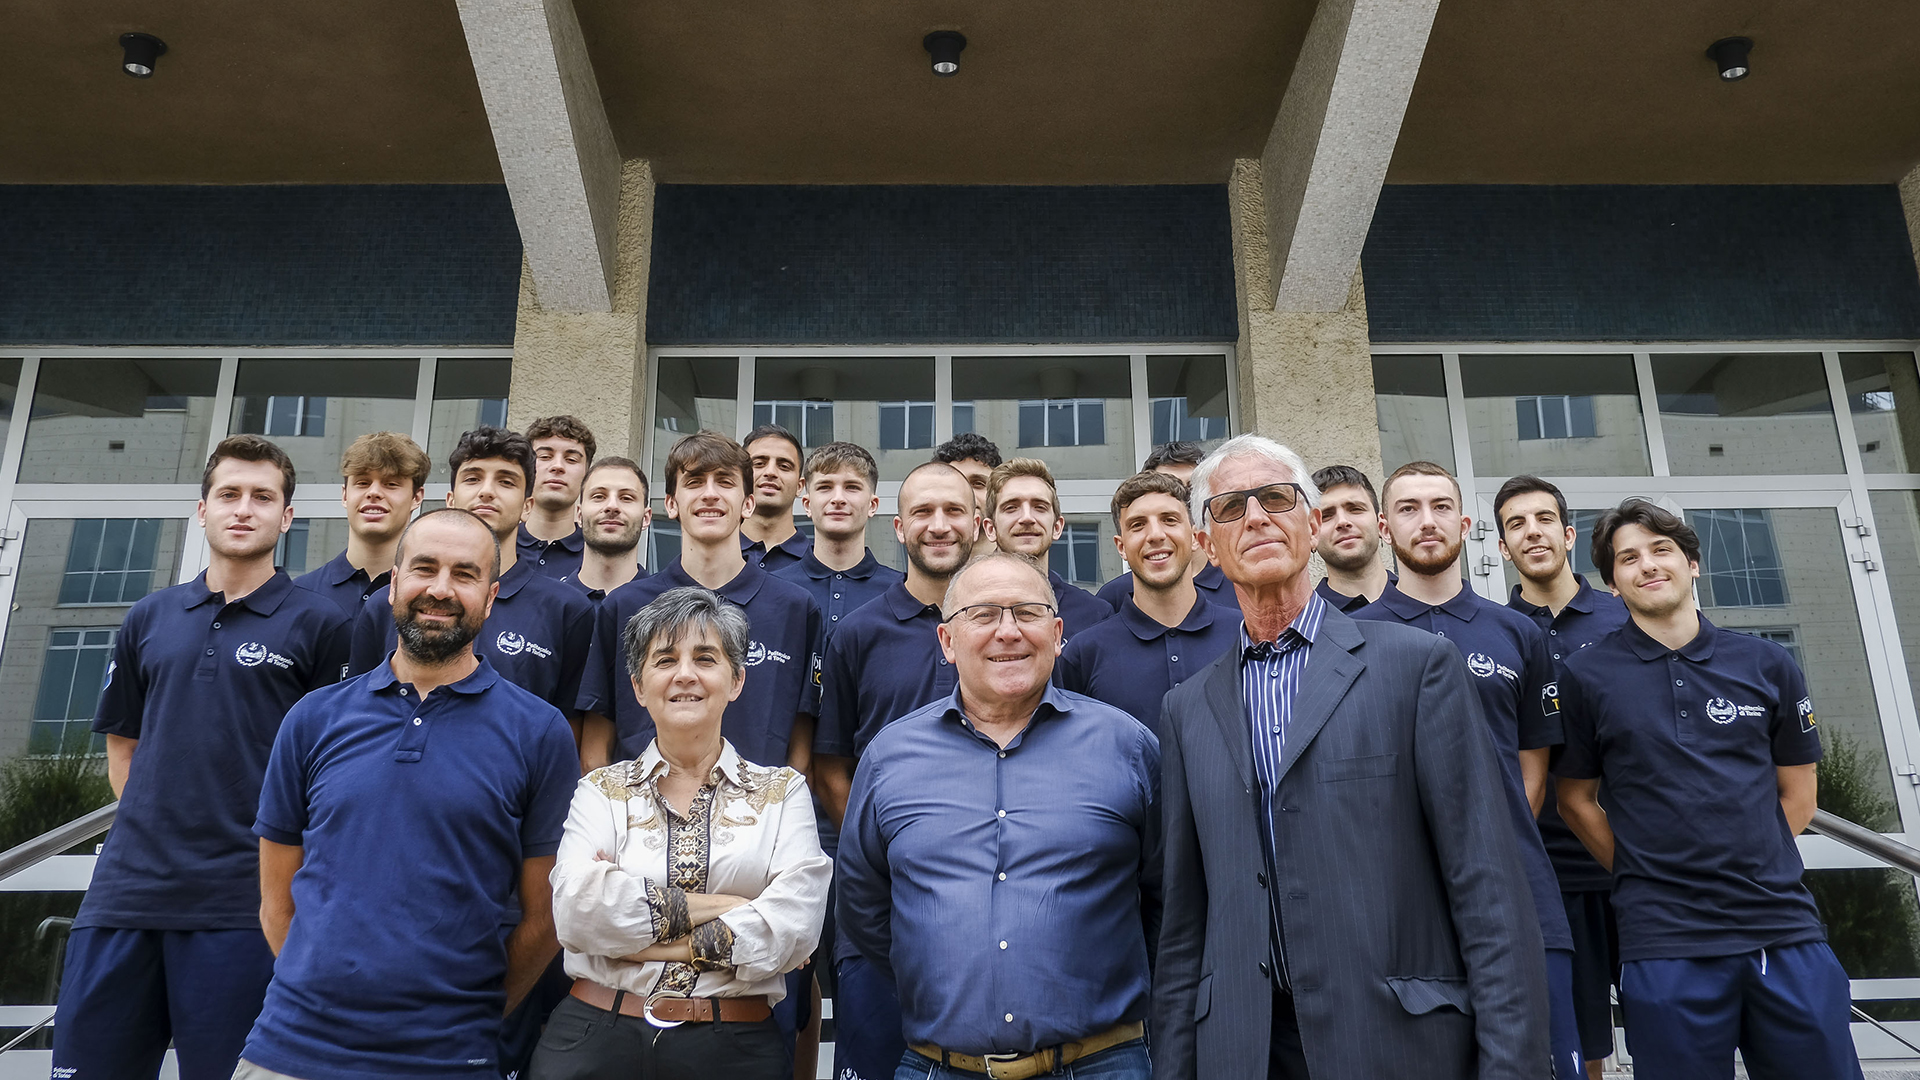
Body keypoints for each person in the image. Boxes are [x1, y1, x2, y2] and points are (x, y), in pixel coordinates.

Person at [1154, 434, 1546, 1080]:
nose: (1255, 519)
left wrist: (1510, 1067)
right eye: (1230, 509)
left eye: (1275, 499)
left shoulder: (1416, 669)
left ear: (1310, 525)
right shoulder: (1186, 709)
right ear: (1206, 546)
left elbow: (1488, 888)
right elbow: (1183, 928)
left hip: (1397, 1044)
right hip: (1246, 1053)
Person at [235, 508, 578, 1080]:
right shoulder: (312, 718)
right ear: (394, 584)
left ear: (490, 598)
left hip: (447, 1058)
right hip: (290, 1051)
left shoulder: (538, 733)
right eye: (424, 568)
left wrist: (475, 1015)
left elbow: (544, 919)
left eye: (464, 574)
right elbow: (277, 899)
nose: (440, 590)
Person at [53, 436, 351, 1080]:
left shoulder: (322, 625)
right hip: (124, 901)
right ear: (202, 509)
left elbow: (333, 767)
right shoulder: (149, 615)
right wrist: (152, 834)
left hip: (242, 907)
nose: (244, 509)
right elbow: (123, 746)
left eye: (262, 497)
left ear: (287, 517)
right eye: (229, 495)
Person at [1554, 500, 1864, 1080]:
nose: (1647, 565)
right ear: (1613, 584)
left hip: (1782, 929)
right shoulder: (1585, 676)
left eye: (1661, 550)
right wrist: (1643, 870)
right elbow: (1574, 798)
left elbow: (1799, 796)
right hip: (1664, 940)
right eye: (1628, 558)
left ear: (1692, 563)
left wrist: (1746, 860)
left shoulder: (1768, 664)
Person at [838, 552, 1161, 1080]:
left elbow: (1166, 901)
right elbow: (866, 911)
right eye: (983, 615)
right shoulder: (889, 756)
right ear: (947, 642)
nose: (1007, 632)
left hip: (1102, 1064)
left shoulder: (1126, 746)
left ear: (1058, 634)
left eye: (1027, 613)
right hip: (940, 1067)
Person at [536, 587, 831, 1080]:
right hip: (593, 1039)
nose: (685, 674)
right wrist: (734, 906)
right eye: (665, 659)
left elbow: (793, 931)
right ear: (638, 685)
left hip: (734, 1047)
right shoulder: (601, 790)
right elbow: (575, 913)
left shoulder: (782, 793)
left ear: (736, 680)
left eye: (706, 658)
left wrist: (633, 937)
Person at [1353, 460, 1582, 1079]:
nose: (1427, 522)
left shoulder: (1518, 633)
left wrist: (1487, 849)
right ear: (1383, 526)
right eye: (1408, 508)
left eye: (1441, 507)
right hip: (1399, 901)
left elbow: (1531, 767)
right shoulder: (1348, 638)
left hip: (1521, 889)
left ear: (1466, 523)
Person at [809, 461, 979, 1080]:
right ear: (899, 526)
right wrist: (881, 850)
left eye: (954, 511)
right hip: (880, 907)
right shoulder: (858, 633)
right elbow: (829, 764)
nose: (939, 526)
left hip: (985, 902)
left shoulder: (1004, 633)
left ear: (977, 523)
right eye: (924, 514)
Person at [577, 430, 821, 774]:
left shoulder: (795, 608)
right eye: (694, 482)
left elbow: (801, 744)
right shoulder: (624, 606)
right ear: (672, 504)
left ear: (747, 504)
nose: (710, 495)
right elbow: (596, 748)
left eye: (724, 482)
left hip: (758, 819)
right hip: (643, 818)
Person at [1495, 475, 1630, 1078]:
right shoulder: (1497, 630)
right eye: (1516, 525)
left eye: (1544, 519)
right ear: (1501, 547)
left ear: (1568, 533)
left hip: (1633, 859)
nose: (1533, 533)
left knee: (1669, 1025)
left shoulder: (1623, 616)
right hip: (1549, 866)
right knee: (1584, 1043)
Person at [347, 427, 595, 721]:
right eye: (473, 478)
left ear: (527, 506)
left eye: (505, 481)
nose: (487, 491)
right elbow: (358, 709)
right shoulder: (387, 603)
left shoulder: (566, 609)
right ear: (451, 498)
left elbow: (569, 729)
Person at [1058, 471, 1238, 736]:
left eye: (1169, 520)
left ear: (1194, 537)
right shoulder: (1084, 653)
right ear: (1121, 546)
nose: (1155, 535)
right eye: (1138, 525)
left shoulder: (1243, 635)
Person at [295, 431, 429, 621]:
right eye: (362, 482)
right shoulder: (300, 593)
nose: (373, 492)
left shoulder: (431, 594)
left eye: (391, 484)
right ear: (344, 496)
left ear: (416, 497)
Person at [772, 441, 903, 632]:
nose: (838, 499)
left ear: (872, 505)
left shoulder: (900, 591)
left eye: (852, 487)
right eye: (825, 487)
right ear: (807, 505)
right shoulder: (773, 588)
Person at [1096, 443, 1240, 614]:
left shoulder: (1241, 583)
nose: (1184, 499)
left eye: (1192, 490)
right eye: (1168, 487)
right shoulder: (1114, 597)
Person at [983, 458, 1112, 639]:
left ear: (1057, 527)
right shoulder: (966, 608)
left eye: (1039, 507)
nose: (1027, 518)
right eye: (1011, 508)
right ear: (990, 529)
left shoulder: (1094, 615)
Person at [1309, 464, 1395, 613]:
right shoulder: (1308, 620)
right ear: (1312, 534)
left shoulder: (1420, 599)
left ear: (1380, 525)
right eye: (1327, 516)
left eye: (1355, 509)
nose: (1342, 522)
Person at [565, 455, 651, 601]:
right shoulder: (549, 605)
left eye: (626, 498)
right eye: (599, 496)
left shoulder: (667, 608)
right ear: (579, 515)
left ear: (646, 517)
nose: (612, 506)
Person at [520, 415, 596, 580]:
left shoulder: (598, 554)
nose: (558, 466)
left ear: (587, 474)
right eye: (545, 457)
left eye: (571, 459)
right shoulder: (497, 548)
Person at [741, 423, 811, 572]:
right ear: (741, 478)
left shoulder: (819, 561)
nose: (770, 472)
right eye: (759, 463)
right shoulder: (713, 557)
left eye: (784, 466)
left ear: (800, 486)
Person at [932, 432, 1001, 560]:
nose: (967, 494)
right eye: (955, 484)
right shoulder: (909, 580)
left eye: (978, 483)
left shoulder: (1028, 577)